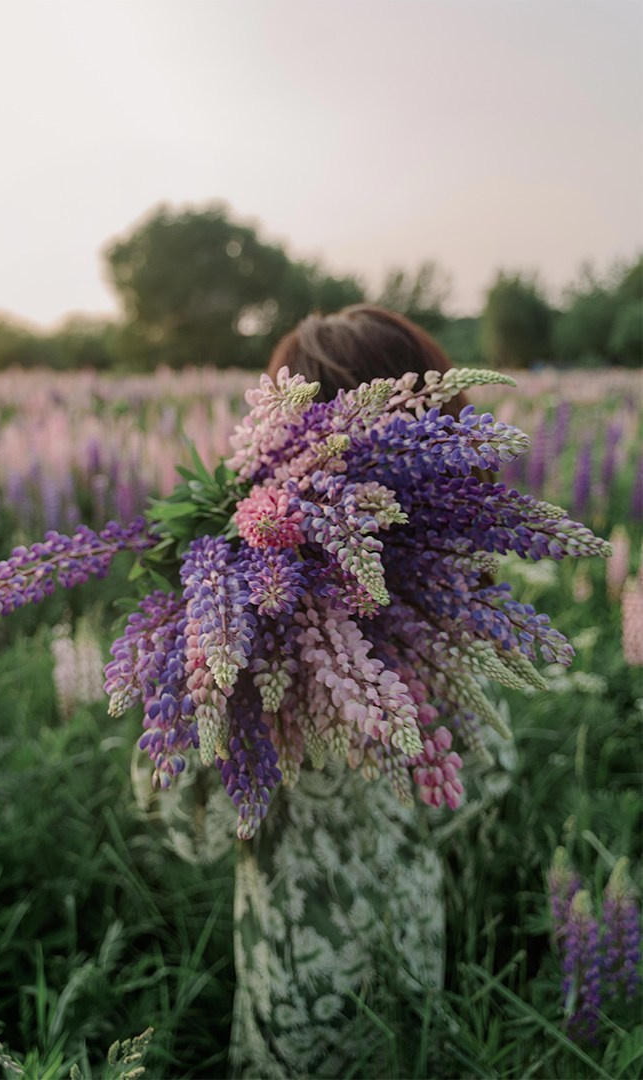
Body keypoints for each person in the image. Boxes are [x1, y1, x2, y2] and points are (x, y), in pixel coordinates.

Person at [157, 305, 506, 1077]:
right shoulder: (450, 613)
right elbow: (482, 779)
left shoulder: (233, 628)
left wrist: (196, 650)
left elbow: (191, 829)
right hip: (412, 946)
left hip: (291, 982)